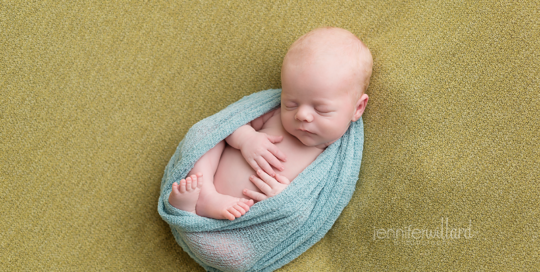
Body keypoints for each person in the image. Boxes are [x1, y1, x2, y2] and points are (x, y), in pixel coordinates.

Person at [168, 27, 372, 220]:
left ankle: (190, 212)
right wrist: (246, 139)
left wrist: (285, 199)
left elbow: (318, 208)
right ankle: (200, 198)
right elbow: (227, 127)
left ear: (357, 108)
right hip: (208, 185)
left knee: (233, 257)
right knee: (206, 139)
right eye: (291, 103)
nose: (301, 115)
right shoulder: (273, 115)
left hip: (246, 219)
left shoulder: (335, 160)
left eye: (321, 109)